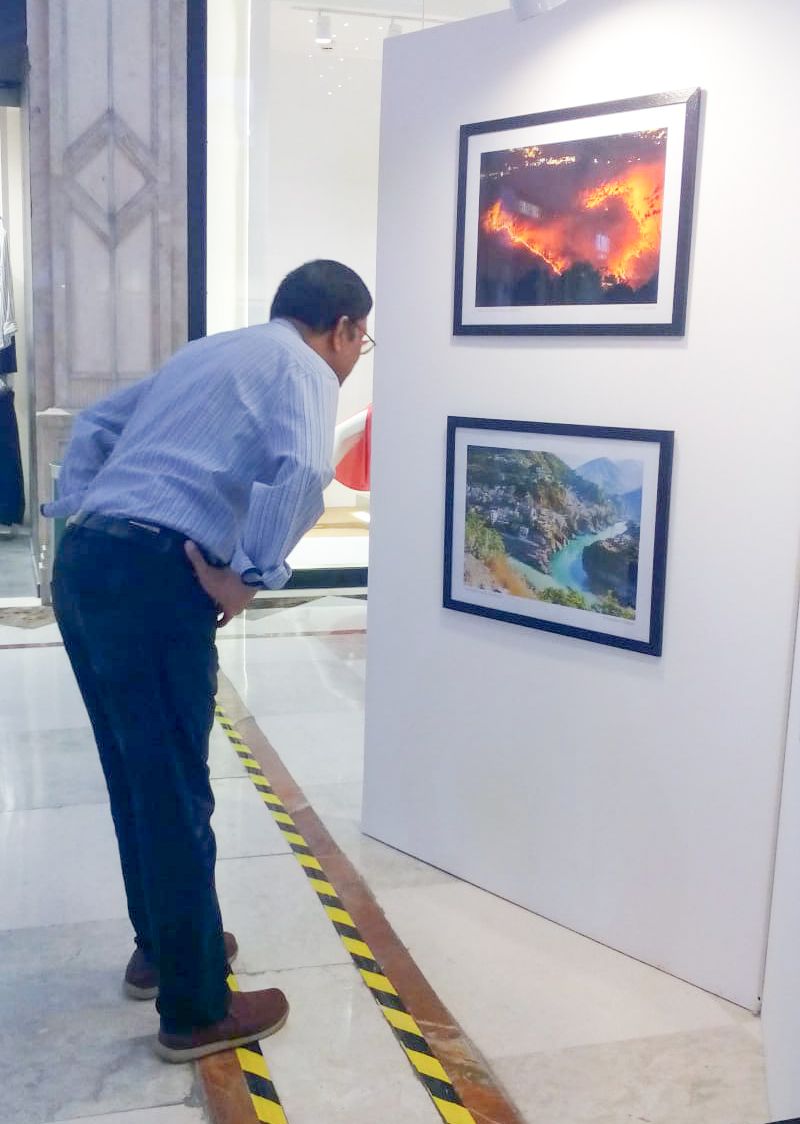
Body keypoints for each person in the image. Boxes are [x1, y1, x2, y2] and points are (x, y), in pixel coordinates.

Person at [43, 260, 374, 1062]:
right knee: (175, 788)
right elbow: (306, 472)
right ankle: (195, 1007)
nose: (356, 356)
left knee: (136, 774)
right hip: (153, 577)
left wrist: (85, 512)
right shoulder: (305, 368)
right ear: (341, 329)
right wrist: (248, 576)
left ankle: (163, 948)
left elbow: (94, 427)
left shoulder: (210, 352)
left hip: (87, 562)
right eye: (361, 340)